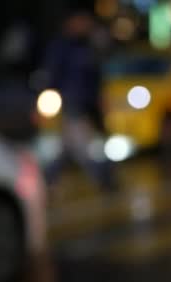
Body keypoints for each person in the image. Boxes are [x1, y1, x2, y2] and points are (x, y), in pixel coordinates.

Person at [42, 10, 116, 192]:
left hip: (88, 103)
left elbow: (97, 73)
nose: (84, 24)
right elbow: (53, 75)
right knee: (80, 145)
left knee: (74, 146)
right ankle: (103, 177)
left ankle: (48, 178)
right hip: (72, 102)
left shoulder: (88, 45)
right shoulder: (62, 47)